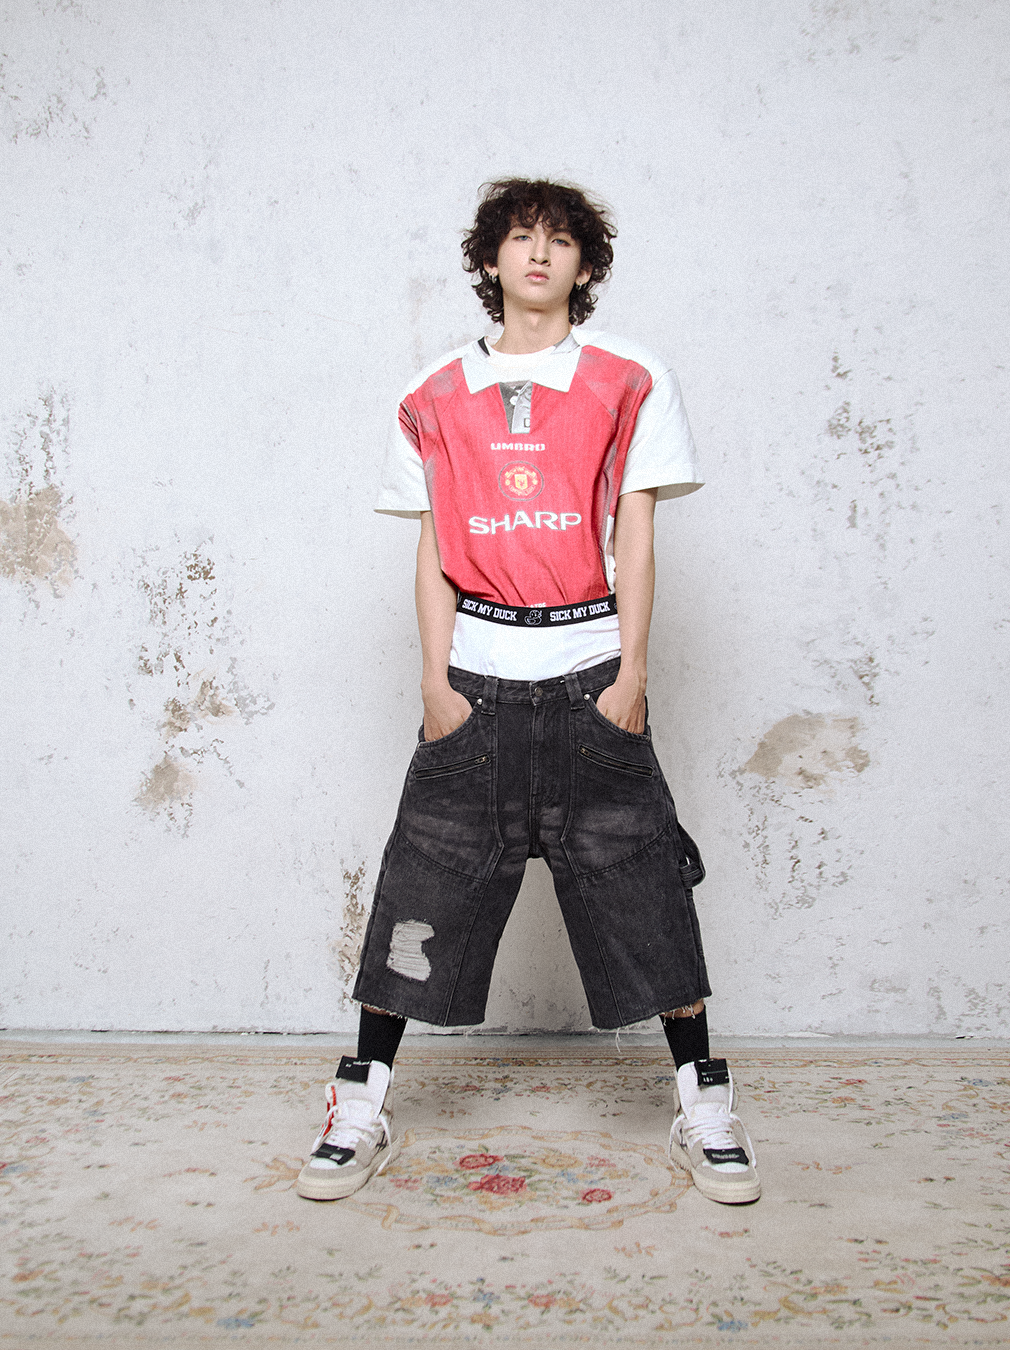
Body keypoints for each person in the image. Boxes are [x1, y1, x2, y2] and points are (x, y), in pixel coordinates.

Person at [297, 179, 760, 1207]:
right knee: (422, 888)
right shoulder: (431, 394)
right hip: (476, 681)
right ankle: (359, 1105)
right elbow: (432, 550)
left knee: (643, 886)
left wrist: (633, 674)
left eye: (560, 240)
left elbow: (637, 529)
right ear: (490, 260)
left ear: (585, 264)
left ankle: (706, 1106)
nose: (539, 253)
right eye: (520, 237)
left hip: (590, 675)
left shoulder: (631, 378)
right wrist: (434, 683)